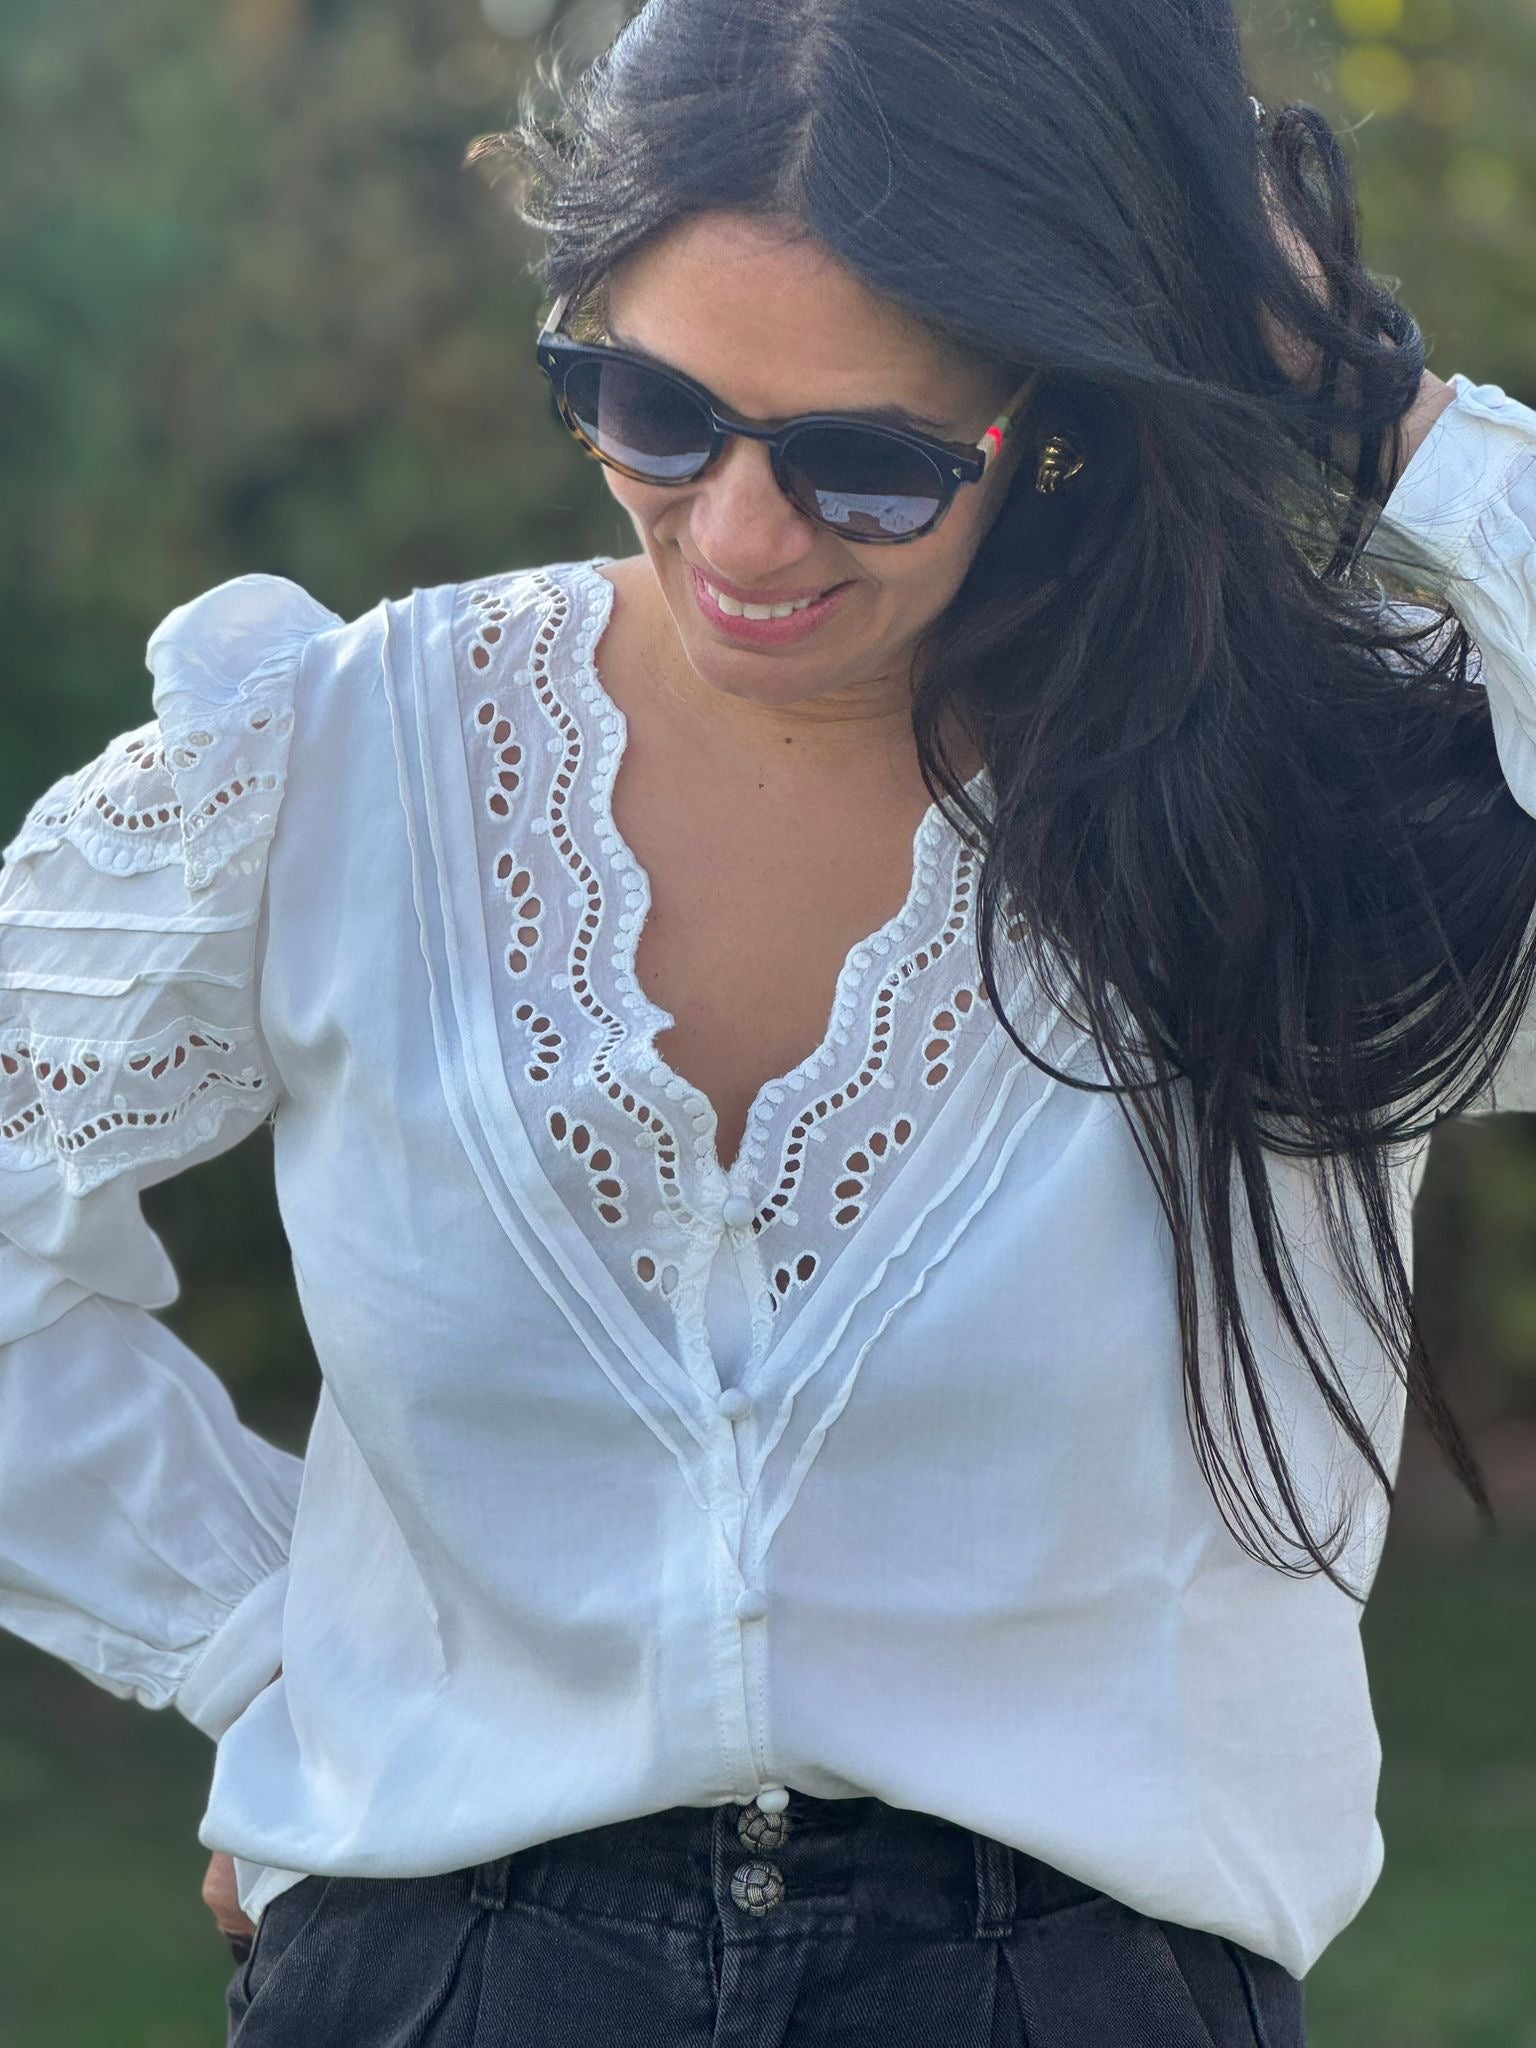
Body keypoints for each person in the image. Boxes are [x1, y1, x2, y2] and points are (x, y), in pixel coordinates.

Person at [3, 0, 1535, 2041]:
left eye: (868, 463)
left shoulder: (1303, 802)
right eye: (653, 407)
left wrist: (1369, 393)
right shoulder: (335, 760)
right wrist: (263, 1642)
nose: (737, 531)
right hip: (435, 1980)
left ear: (1059, 424)